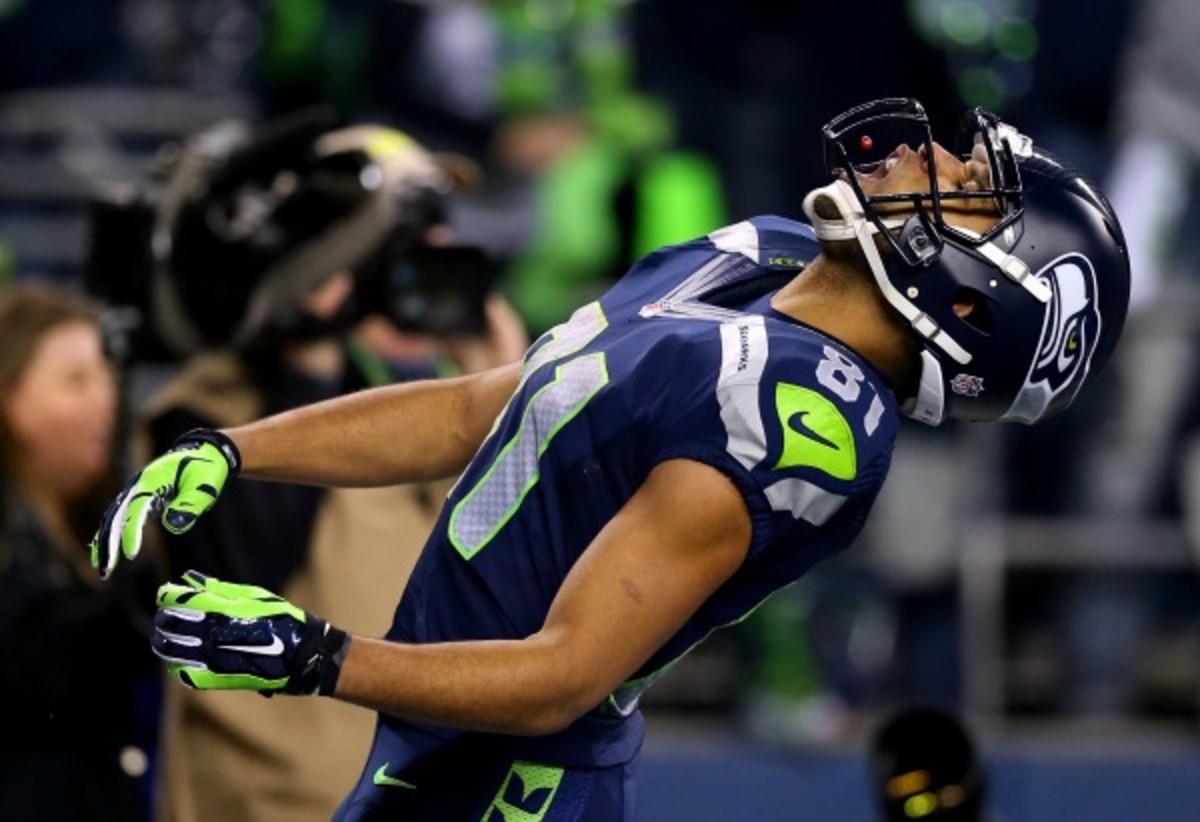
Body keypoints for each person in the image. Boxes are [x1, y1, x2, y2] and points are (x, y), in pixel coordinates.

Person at [92, 97, 1131, 820]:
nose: (932, 157)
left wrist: (317, 657)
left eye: (967, 189)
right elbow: (481, 406)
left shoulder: (807, 412)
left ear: (974, 301)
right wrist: (231, 450)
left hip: (516, 788)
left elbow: (562, 675)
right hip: (438, 752)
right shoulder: (759, 257)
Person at [108, 116, 524, 821]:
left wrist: (503, 391)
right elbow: (246, 571)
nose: (433, 254)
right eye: (402, 233)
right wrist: (310, 349)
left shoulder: (433, 417)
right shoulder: (203, 414)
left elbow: (516, 586)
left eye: (436, 228)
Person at [0, 281, 157, 821]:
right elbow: (51, 670)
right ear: (8, 395)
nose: (108, 399)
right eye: (76, 380)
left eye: (108, 377)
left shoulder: (81, 525)